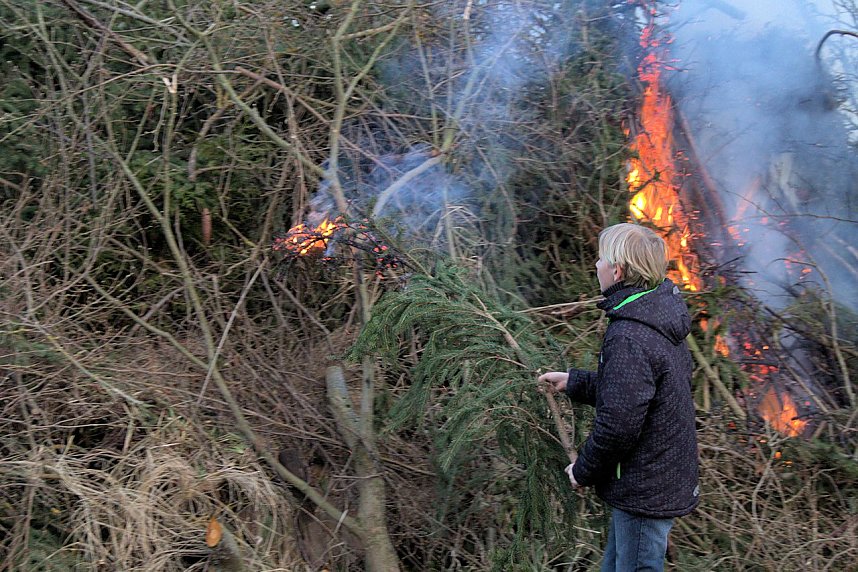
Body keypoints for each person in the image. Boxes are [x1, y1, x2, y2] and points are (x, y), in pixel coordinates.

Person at [539, 223, 699, 572]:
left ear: (618, 269)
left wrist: (583, 471)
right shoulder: (658, 313)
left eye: (601, 258)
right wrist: (575, 383)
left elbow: (619, 424)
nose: (595, 265)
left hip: (645, 484)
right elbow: (634, 392)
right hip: (657, 475)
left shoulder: (630, 333)